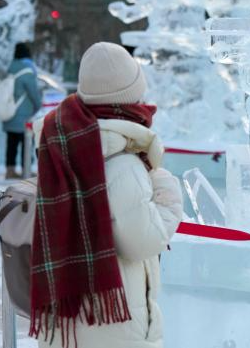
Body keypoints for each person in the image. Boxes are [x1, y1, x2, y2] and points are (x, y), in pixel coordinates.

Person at [30, 42, 183, 348]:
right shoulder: (124, 163)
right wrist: (168, 195)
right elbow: (143, 242)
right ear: (131, 97)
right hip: (115, 322)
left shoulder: (62, 143)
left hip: (65, 319)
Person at [1, 42, 43, 179]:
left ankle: (10, 170)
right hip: (24, 113)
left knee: (11, 143)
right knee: (27, 142)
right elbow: (33, 92)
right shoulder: (27, 70)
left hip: (9, 111)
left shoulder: (10, 69)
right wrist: (38, 105)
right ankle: (26, 169)